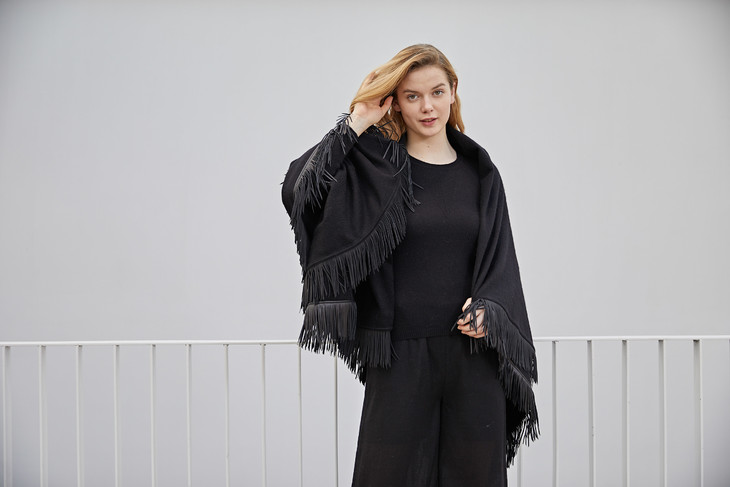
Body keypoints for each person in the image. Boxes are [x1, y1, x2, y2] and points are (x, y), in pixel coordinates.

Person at [282, 44, 538, 486]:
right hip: (399, 354)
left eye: (437, 92)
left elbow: (501, 258)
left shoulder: (480, 173)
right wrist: (359, 120)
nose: (427, 107)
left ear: (453, 91)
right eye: (412, 96)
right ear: (396, 102)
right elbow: (300, 190)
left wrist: (491, 308)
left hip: (474, 355)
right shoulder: (377, 168)